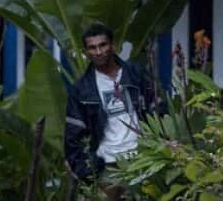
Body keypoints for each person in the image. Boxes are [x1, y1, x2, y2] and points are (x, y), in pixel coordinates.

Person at [65, 23, 157, 184]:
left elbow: (157, 109)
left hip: (142, 158)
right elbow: (73, 136)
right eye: (92, 48)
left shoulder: (136, 74)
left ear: (112, 46)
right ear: (86, 52)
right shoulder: (81, 89)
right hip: (107, 165)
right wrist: (85, 170)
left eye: (103, 45)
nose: (98, 52)